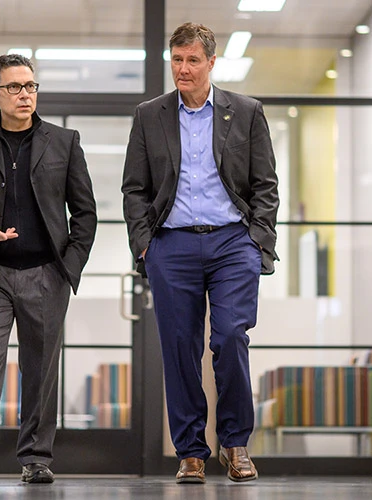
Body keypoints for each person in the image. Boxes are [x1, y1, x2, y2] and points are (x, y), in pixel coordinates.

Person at [121, 22, 278, 483]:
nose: (183, 69)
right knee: (179, 347)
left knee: (229, 337)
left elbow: (265, 184)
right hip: (172, 244)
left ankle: (235, 444)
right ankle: (191, 451)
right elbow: (134, 188)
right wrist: (145, 243)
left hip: (233, 241)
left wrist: (259, 239)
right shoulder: (150, 115)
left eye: (192, 60)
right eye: (177, 60)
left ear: (212, 62)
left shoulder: (245, 112)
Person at [0, 54, 97, 485]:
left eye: (30, 86)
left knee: (40, 367)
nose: (25, 94)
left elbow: (84, 211)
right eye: (15, 87)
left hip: (46, 272)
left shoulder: (64, 142)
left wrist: (71, 264)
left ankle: (35, 458)